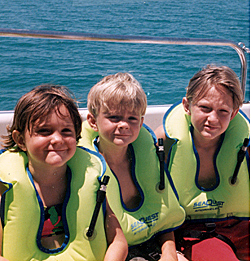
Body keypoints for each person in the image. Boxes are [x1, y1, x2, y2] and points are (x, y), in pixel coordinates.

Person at [0, 84, 128, 261]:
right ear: (20, 140)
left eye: (66, 131)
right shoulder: (4, 189)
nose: (58, 140)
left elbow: (118, 241)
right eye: (44, 131)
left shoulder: (88, 181)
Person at [78, 72, 187, 261]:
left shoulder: (148, 156)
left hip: (155, 245)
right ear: (93, 121)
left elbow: (165, 215)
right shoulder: (86, 168)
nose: (124, 125)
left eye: (132, 119)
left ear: (142, 122)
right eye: (114, 117)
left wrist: (170, 253)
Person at [155, 65, 250, 261]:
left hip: (241, 228)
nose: (213, 119)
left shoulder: (245, 145)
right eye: (205, 108)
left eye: (223, 111)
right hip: (194, 232)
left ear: (233, 114)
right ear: (187, 106)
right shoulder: (165, 141)